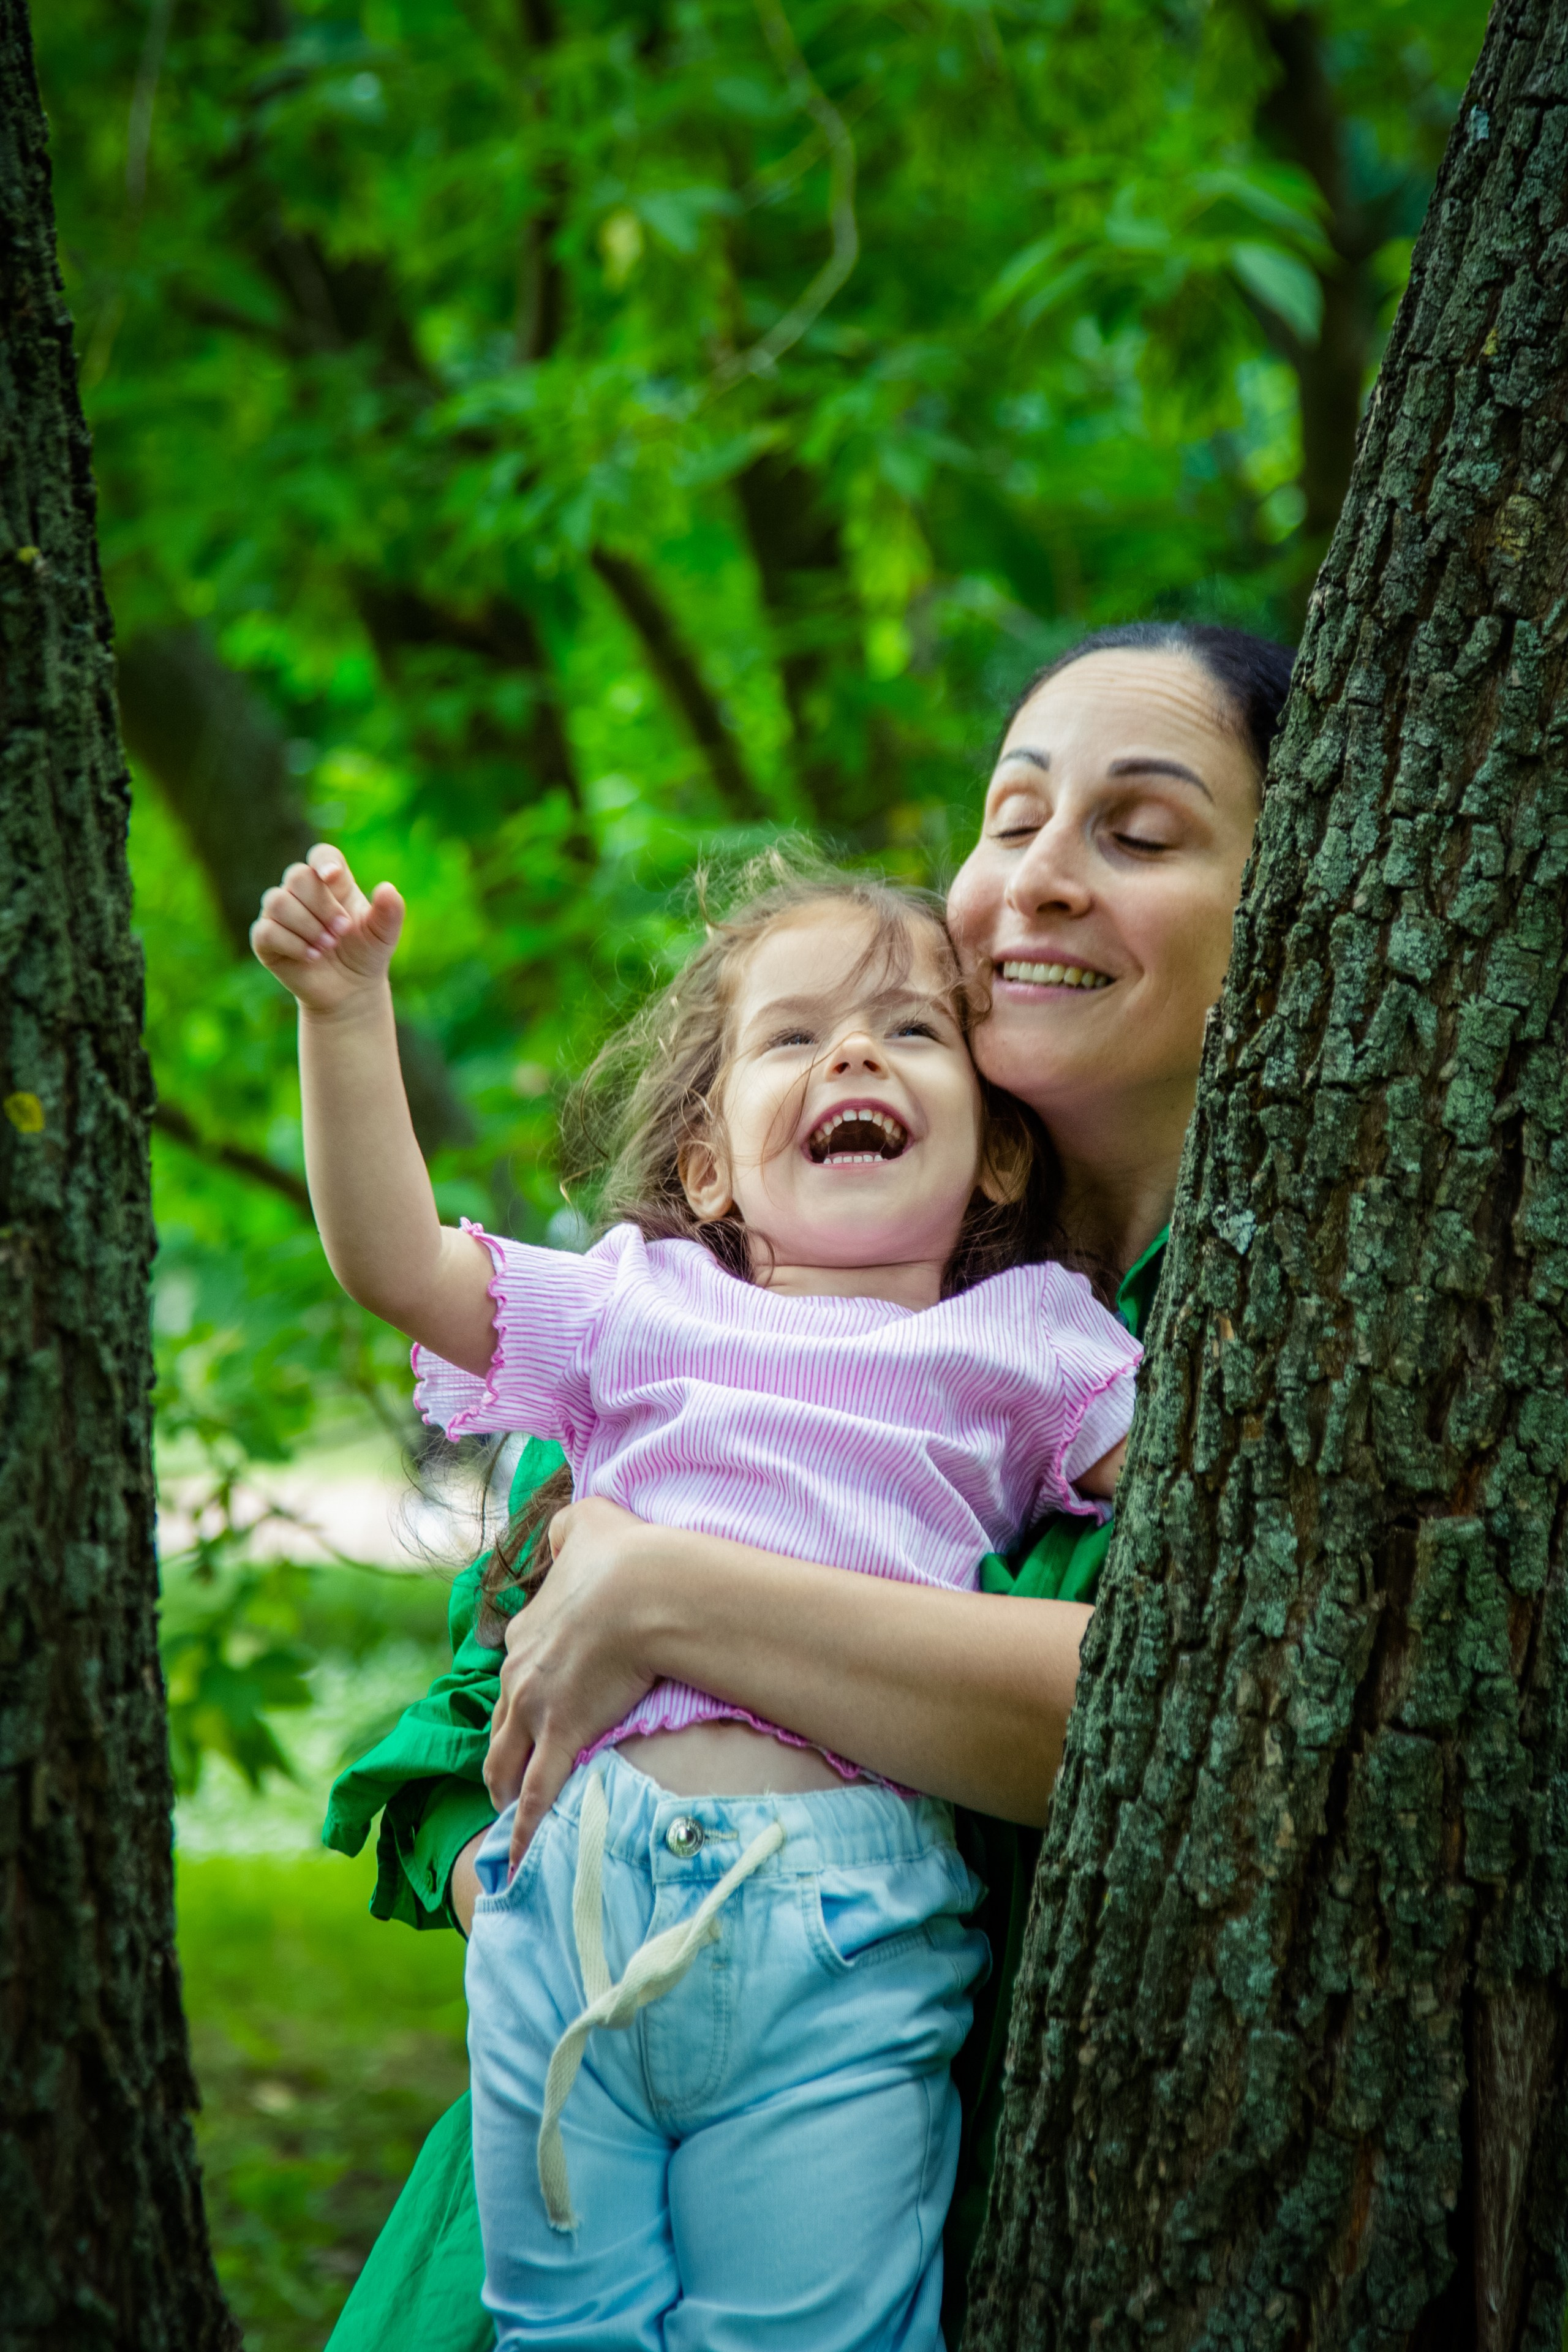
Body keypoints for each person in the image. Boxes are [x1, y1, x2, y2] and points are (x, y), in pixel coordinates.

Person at [317, 620, 1294, 2351]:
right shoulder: (687, 1306)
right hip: (571, 2052)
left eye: (1139, 833)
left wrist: (662, 1594)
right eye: (1009, 818)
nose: (1039, 879)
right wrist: (556, 1884)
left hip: (894, 2095)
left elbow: (1218, 1701)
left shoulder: (1163, 1353)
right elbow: (459, 1731)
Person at [252, 847, 1145, 2347]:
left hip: (843, 1929)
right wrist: (344, 1016)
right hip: (570, 1899)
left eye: (909, 1030)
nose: (852, 1055)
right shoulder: (631, 1302)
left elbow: (1228, 1500)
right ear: (708, 1166)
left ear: (997, 1154)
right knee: (567, 2333)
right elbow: (398, 1263)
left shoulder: (1036, 1339)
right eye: (792, 1037)